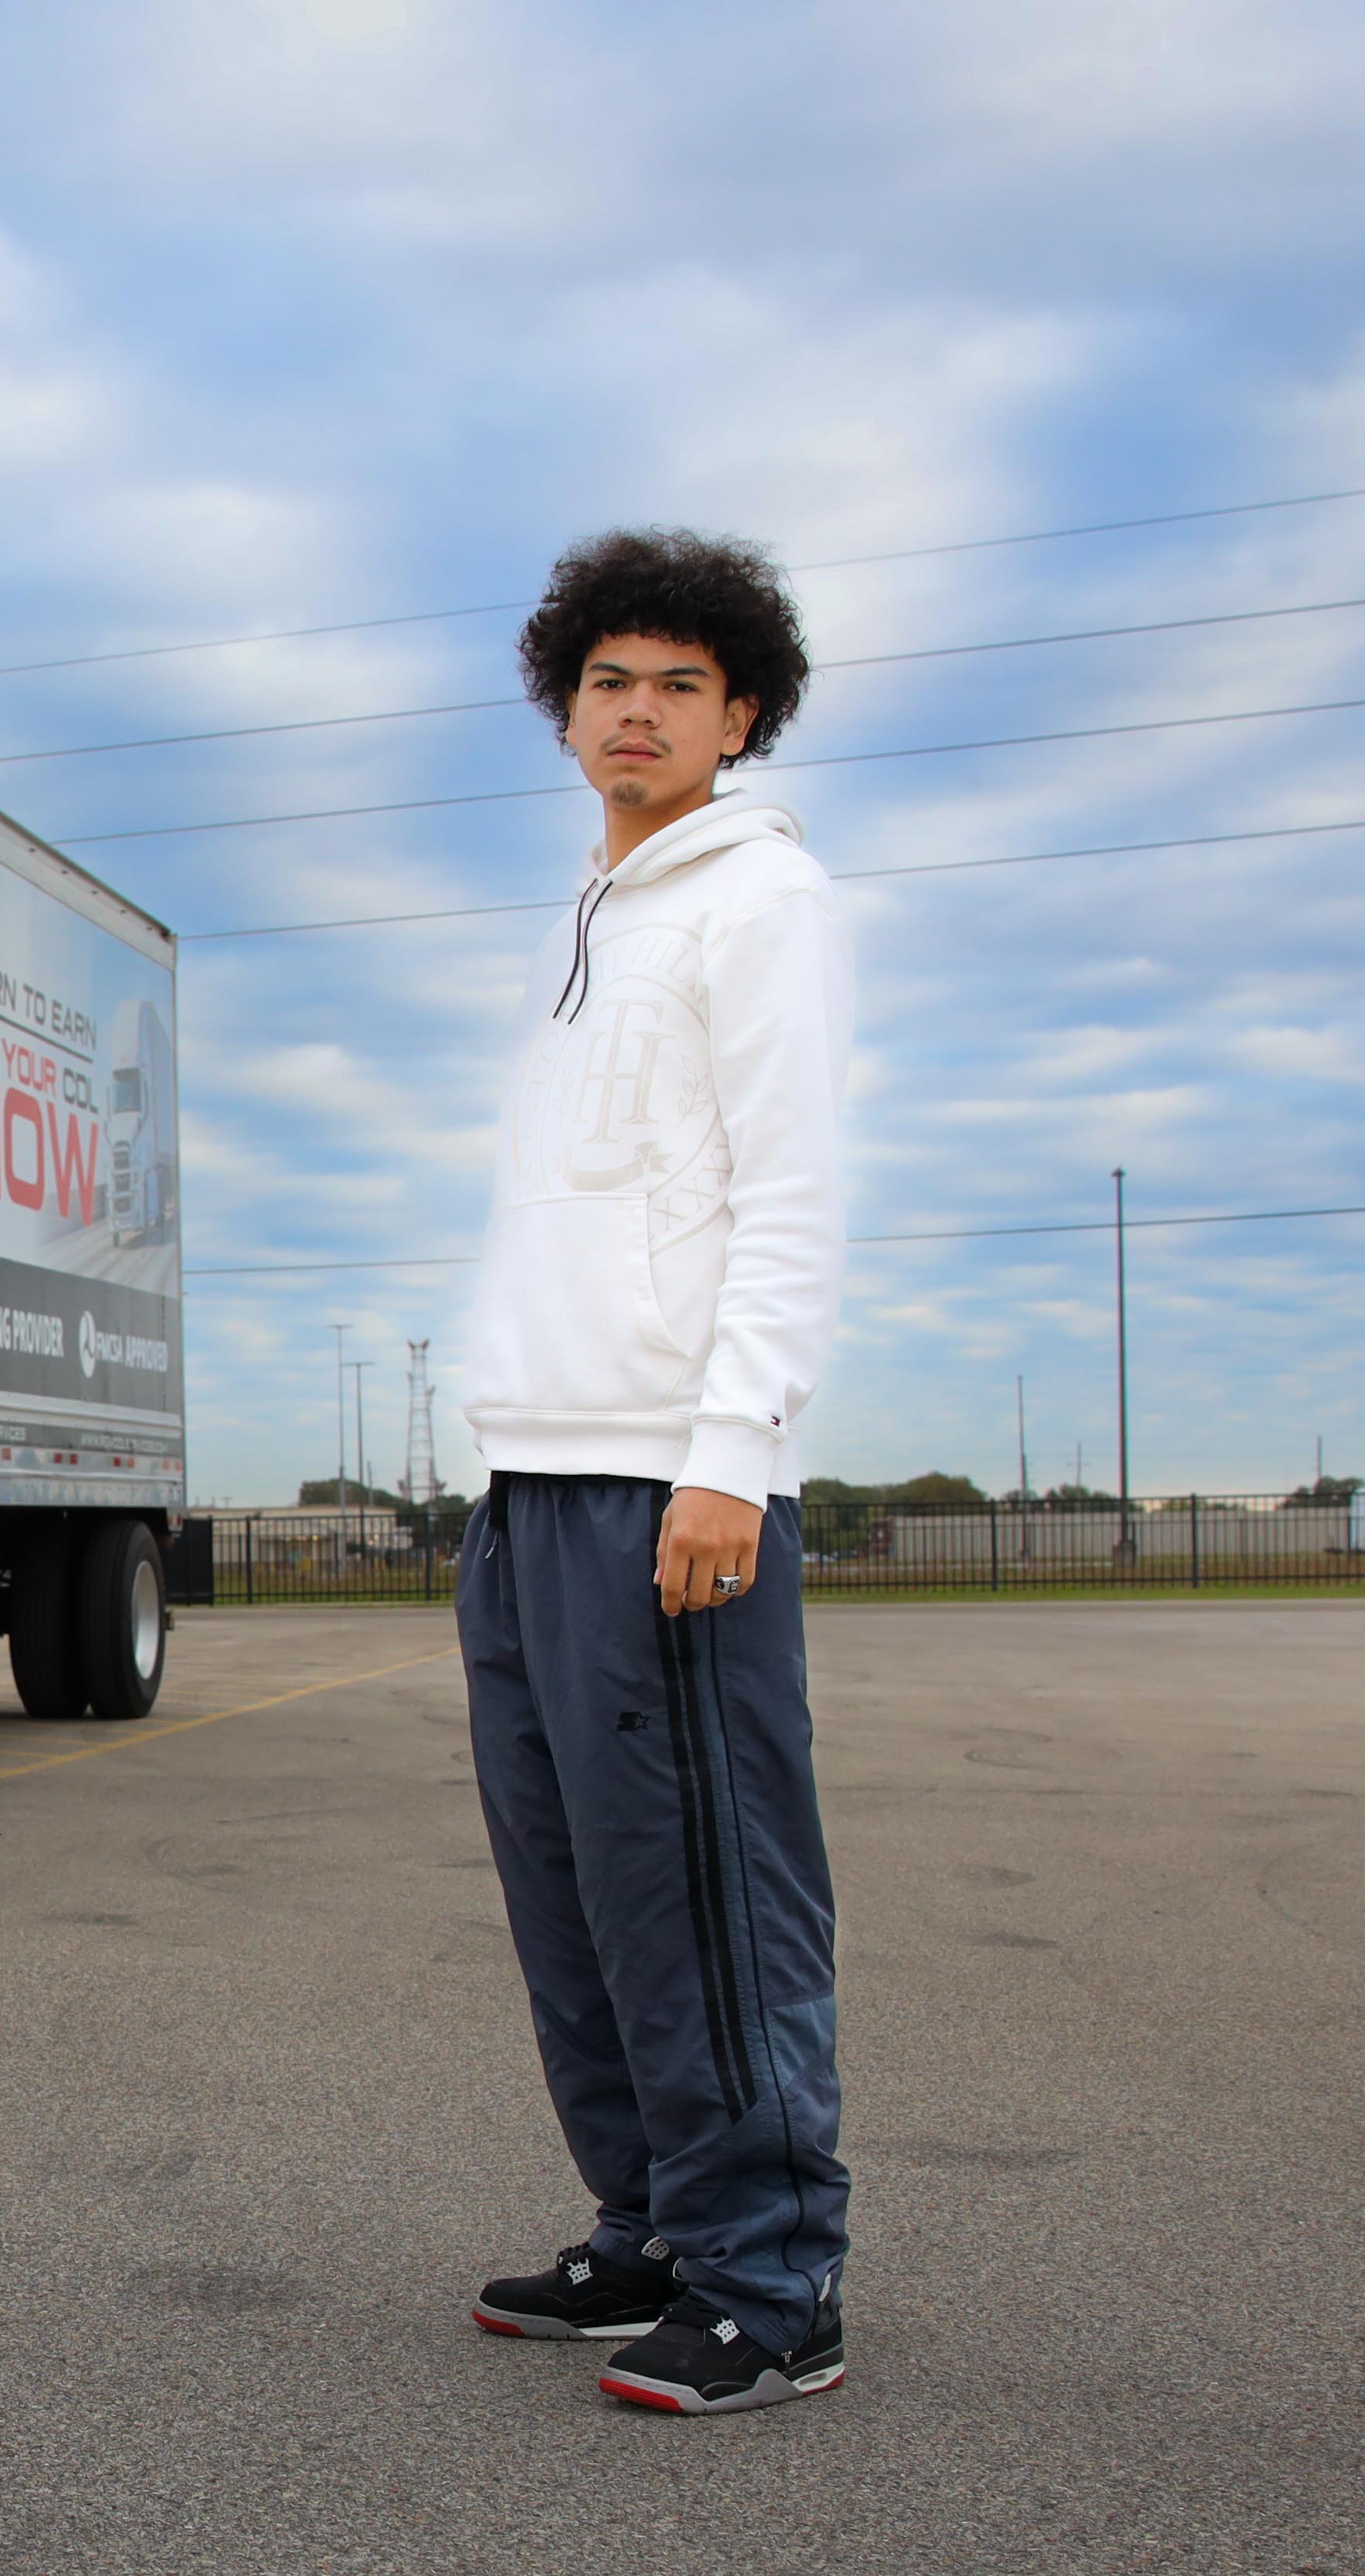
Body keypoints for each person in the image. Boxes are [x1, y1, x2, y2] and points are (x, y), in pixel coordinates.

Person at [450, 528, 858, 2415]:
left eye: (681, 684)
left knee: (703, 1880)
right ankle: (654, 2224)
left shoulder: (756, 902)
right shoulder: (591, 914)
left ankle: (774, 2277)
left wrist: (732, 1460)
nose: (638, 710)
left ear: (742, 713)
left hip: (667, 1483)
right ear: (566, 705)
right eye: (610, 680)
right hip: (535, 1470)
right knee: (577, 1883)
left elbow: (789, 1202)